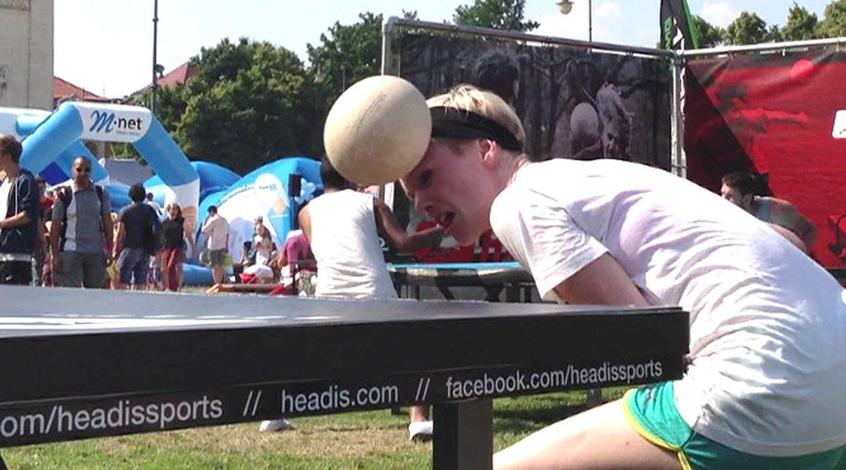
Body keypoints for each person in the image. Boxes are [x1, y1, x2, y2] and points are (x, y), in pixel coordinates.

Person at [395, 84, 846, 468]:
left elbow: (642, 341)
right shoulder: (592, 178)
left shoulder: (518, 204)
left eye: (427, 177)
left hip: (764, 390)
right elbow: (788, 241)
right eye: (411, 193)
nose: (420, 203)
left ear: (486, 150)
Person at [291, 157, 443, 440]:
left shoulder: (305, 213)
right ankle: (419, 420)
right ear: (350, 174)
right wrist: (438, 232)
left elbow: (321, 249)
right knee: (419, 345)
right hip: (375, 293)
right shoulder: (371, 203)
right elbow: (404, 244)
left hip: (329, 297)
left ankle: (272, 414)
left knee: (307, 355)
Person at [49, 157, 113, 289]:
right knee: (71, 293)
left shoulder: (101, 193)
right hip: (70, 251)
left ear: (91, 172)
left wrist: (110, 249)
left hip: (95, 252)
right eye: (79, 169)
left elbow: (107, 222)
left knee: (94, 293)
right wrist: (54, 254)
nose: (83, 173)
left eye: (87, 170)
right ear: (73, 171)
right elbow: (55, 226)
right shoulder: (64, 195)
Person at [721, 171, 817, 253]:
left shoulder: (777, 210)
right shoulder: (722, 214)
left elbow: (809, 231)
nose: (722, 200)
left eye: (729, 196)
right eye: (722, 194)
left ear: (747, 199)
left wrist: (798, 258)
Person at [0, 135, 39, 285]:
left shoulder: (25, 180)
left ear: (7, 157)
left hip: (17, 254)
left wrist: (2, 224)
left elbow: (28, 214)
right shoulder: (4, 183)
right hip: (3, 251)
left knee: (14, 295)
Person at [113, 183, 160, 290]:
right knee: (141, 280)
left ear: (130, 195)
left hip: (129, 247)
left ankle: (123, 299)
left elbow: (120, 233)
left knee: (123, 279)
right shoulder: (150, 210)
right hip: (145, 249)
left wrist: (115, 250)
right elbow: (157, 227)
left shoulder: (125, 211)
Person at [159, 202, 194, 291]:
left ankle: (177, 286)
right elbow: (161, 237)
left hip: (177, 247)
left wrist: (193, 247)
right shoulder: (164, 223)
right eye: (171, 209)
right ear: (168, 210)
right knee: (164, 268)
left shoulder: (181, 221)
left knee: (175, 266)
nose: (173, 211)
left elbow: (188, 235)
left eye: (175, 209)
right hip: (166, 247)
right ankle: (167, 286)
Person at [201, 205, 229, 285]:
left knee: (214, 266)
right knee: (221, 266)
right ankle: (219, 283)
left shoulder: (213, 220)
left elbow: (204, 231)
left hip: (214, 246)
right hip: (222, 245)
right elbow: (227, 234)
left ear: (211, 212)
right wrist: (227, 246)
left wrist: (204, 223)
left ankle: (216, 283)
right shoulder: (224, 220)